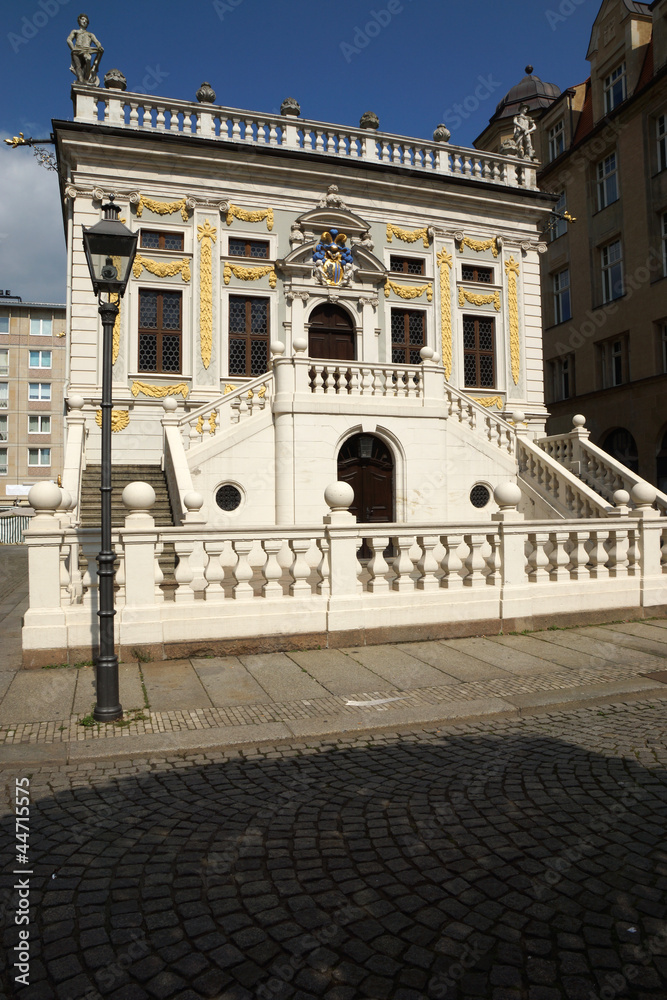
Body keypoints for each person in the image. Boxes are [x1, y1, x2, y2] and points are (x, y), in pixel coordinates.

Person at [67, 14, 103, 86]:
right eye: (83, 19)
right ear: (79, 21)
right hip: (77, 50)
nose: (84, 21)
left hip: (87, 50)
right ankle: (81, 80)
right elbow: (69, 40)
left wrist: (99, 46)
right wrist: (73, 49)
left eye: (86, 21)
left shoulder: (90, 34)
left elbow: (97, 42)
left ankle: (93, 68)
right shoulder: (75, 31)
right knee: (78, 66)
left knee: (90, 59)